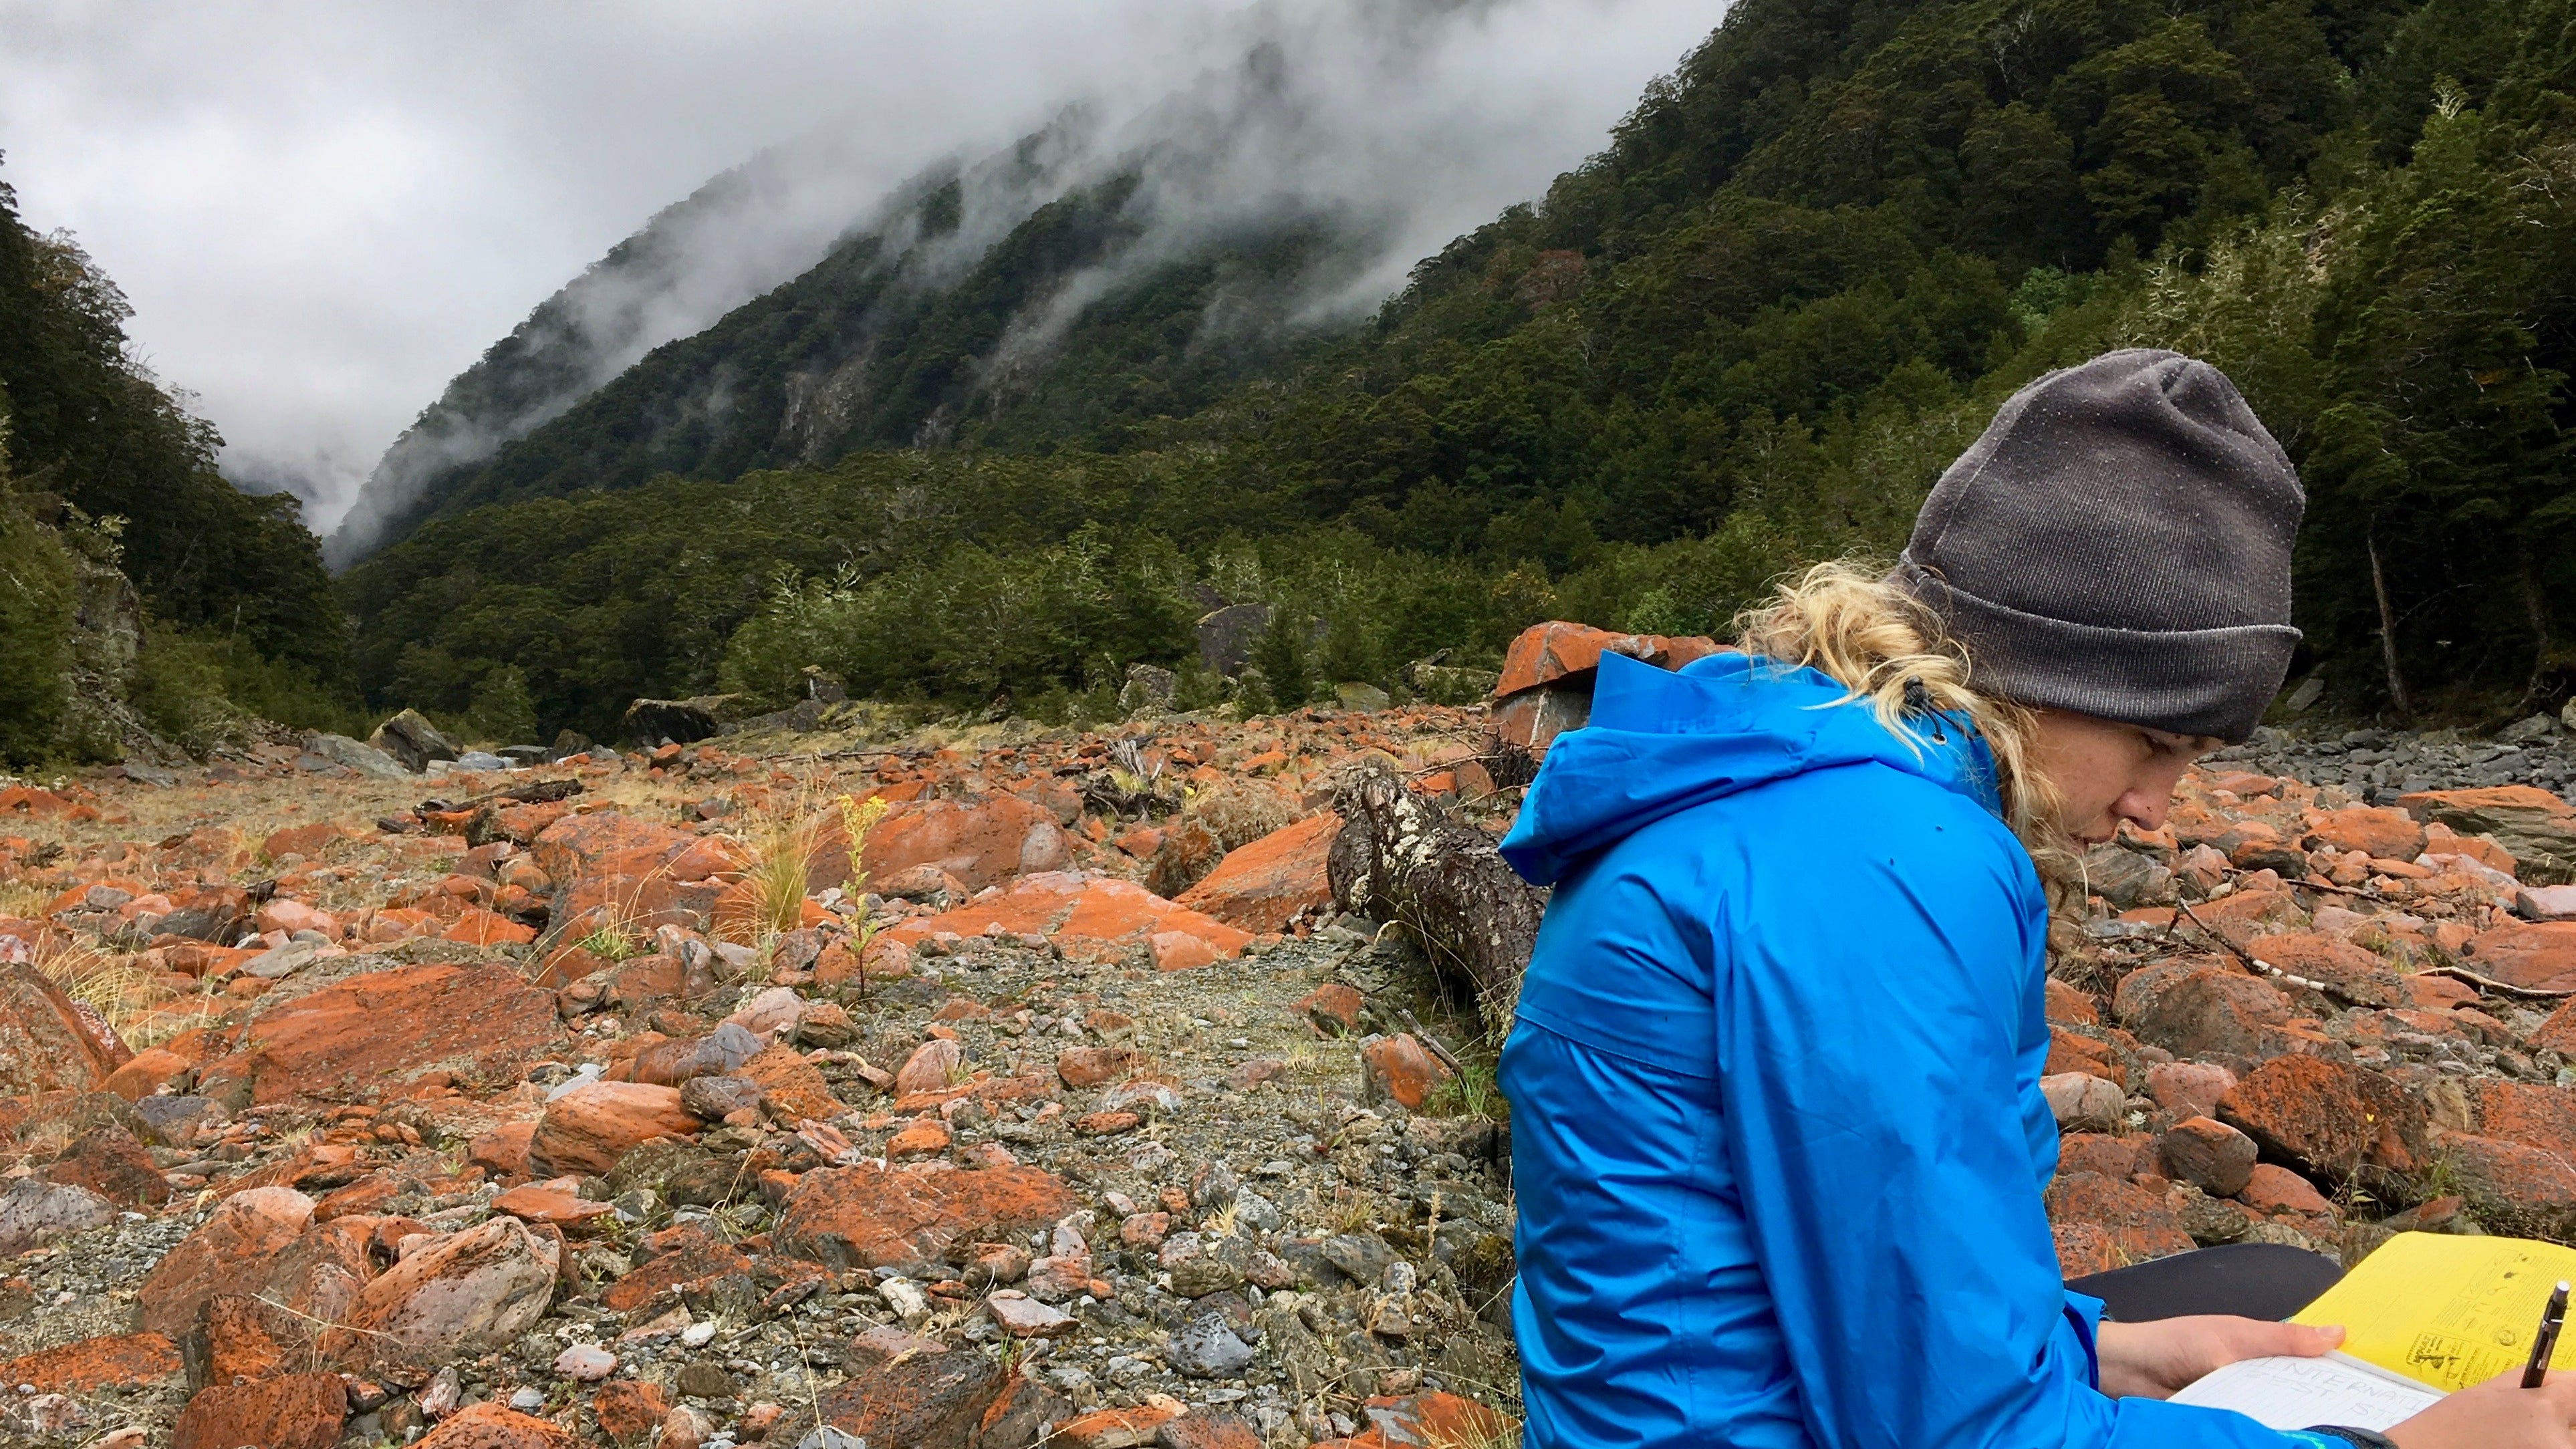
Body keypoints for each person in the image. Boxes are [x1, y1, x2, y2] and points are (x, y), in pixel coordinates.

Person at [1493, 349, 2576, 1449]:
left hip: (1729, 1398)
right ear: (2031, 672)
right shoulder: (1885, 868)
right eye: (2155, 743)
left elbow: (1841, 1279)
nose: (2158, 806)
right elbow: (1954, 1433)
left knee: (2262, 1282)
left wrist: (2105, 1349)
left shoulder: (1801, 779)